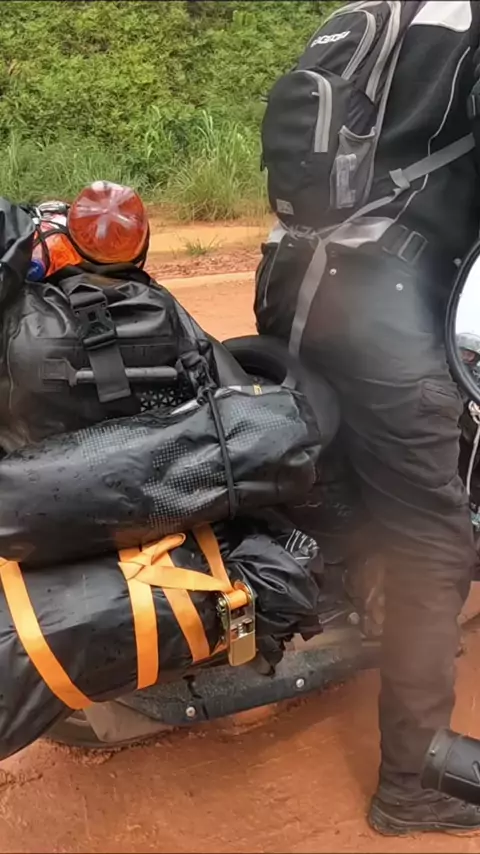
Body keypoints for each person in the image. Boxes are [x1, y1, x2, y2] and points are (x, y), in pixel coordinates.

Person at [255, 0, 480, 836]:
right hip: (391, 304)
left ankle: (351, 597)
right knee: (432, 538)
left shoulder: (377, 11)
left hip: (296, 280)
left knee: (338, 467)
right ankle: (412, 785)